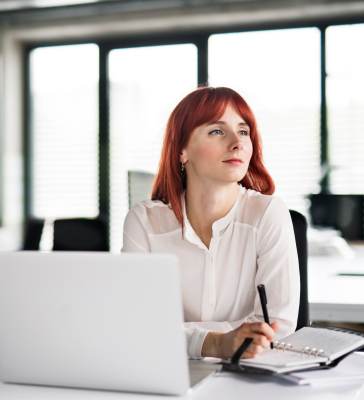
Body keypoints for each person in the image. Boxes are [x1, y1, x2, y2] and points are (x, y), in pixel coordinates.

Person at [122, 86, 300, 360]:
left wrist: (177, 336)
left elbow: (279, 326)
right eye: (217, 131)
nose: (237, 142)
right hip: (164, 371)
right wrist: (215, 343)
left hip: (248, 376)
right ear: (182, 150)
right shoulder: (144, 222)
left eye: (243, 131)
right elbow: (135, 326)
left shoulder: (268, 214)